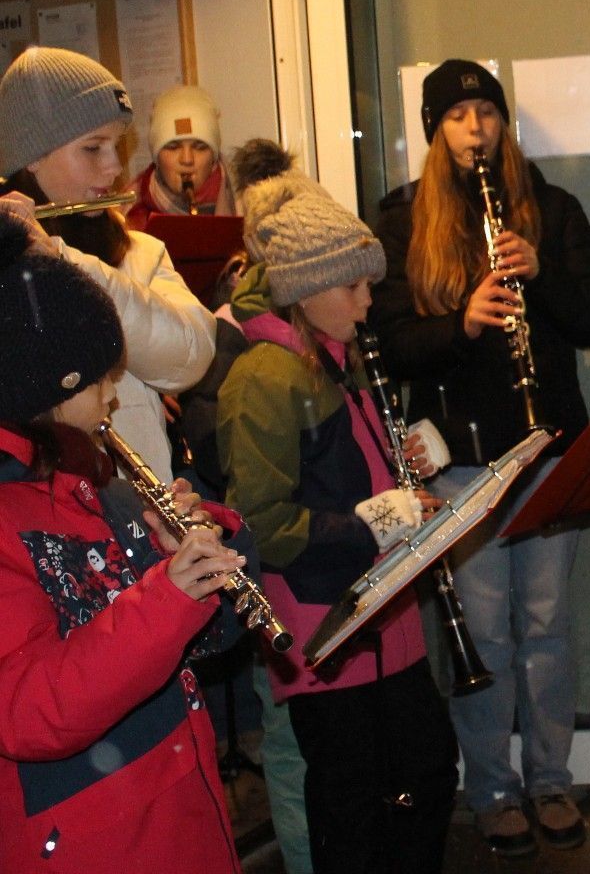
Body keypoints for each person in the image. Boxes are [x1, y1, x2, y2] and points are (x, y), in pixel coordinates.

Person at [370, 58, 590, 857]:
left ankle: (550, 779)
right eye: (458, 116)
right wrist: (464, 322)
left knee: (545, 627)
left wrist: (538, 277)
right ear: (436, 130)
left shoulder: (553, 206)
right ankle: (493, 790)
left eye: (488, 112)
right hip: (464, 459)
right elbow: (394, 348)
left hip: (546, 449)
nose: (476, 129)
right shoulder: (402, 220)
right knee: (483, 634)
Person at [218, 159, 458, 872]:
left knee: (425, 776)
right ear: (307, 286)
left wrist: (401, 465)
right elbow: (259, 522)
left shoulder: (332, 356)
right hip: (330, 627)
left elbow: (348, 472)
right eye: (354, 289)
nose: (365, 306)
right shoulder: (265, 375)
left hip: (385, 617)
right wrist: (377, 521)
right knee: (353, 810)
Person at [0, 212, 245, 872]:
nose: (115, 398)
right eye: (106, 379)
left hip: (171, 810)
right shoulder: (9, 510)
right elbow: (27, 710)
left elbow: (155, 639)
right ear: (56, 385)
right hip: (94, 836)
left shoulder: (89, 480)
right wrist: (168, 597)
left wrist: (170, 556)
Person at [0, 46, 217, 481]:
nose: (115, 166)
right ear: (33, 156)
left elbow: (190, 357)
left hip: (144, 520)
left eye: (116, 146)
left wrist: (64, 260)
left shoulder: (138, 251)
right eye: (93, 148)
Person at [126, 83, 237, 227]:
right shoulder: (127, 213)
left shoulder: (248, 205)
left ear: (214, 159)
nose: (187, 159)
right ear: (157, 158)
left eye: (200, 147)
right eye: (173, 147)